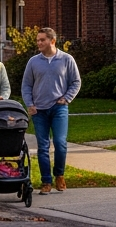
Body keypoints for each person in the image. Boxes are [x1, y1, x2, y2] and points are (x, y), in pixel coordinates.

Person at [21, 27, 80, 195]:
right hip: (39, 110)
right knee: (43, 146)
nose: (39, 43)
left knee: (60, 143)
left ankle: (59, 175)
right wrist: (29, 104)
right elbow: (26, 85)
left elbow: (76, 81)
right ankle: (46, 181)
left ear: (52, 41)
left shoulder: (66, 59)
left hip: (58, 108)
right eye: (38, 40)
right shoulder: (33, 62)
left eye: (42, 40)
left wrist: (67, 98)